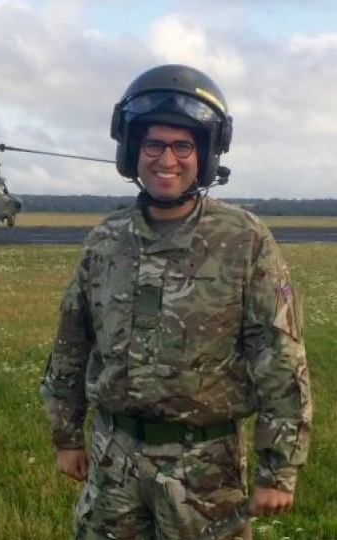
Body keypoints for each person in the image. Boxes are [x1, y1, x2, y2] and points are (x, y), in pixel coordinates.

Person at [40, 64, 312, 539]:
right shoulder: (105, 240)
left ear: (204, 154)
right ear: (132, 152)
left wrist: (279, 467)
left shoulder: (243, 239)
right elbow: (73, 341)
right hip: (113, 459)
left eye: (183, 145)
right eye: (154, 145)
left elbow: (279, 354)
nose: (167, 159)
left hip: (205, 468)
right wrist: (66, 436)